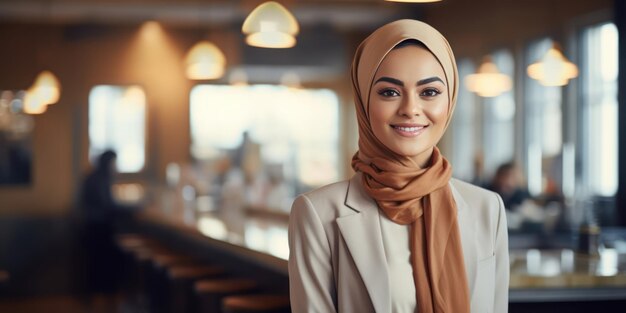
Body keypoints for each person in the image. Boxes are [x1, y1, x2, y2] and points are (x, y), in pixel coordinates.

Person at [288, 20, 509, 313]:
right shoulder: (317, 213)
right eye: (389, 92)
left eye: (429, 92)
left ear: (450, 99)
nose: (410, 108)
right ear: (364, 101)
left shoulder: (488, 208)